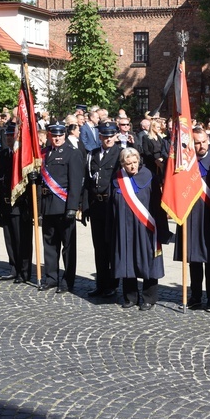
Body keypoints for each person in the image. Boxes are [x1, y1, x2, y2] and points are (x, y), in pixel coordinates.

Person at [111, 147, 165, 310]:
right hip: (124, 228)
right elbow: (111, 207)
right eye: (129, 164)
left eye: (135, 162)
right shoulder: (117, 179)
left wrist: (161, 230)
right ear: (122, 164)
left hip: (145, 228)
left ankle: (149, 297)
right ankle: (130, 296)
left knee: (147, 260)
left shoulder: (149, 177)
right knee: (127, 259)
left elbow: (157, 205)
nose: (133, 166)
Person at [173, 127, 210, 312]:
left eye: (203, 142)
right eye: (196, 143)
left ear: (208, 141)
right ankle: (195, 295)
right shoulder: (184, 162)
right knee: (193, 258)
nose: (200, 146)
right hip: (191, 215)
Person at [40, 124, 84, 293]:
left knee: (68, 246)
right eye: (53, 136)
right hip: (47, 205)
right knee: (49, 244)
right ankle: (51, 278)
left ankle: (67, 281)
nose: (56, 138)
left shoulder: (72, 153)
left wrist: (72, 207)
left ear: (64, 135)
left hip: (64, 205)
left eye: (59, 136)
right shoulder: (44, 153)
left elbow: (75, 182)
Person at [85, 121, 122, 297]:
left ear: (116, 136)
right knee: (99, 247)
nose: (108, 139)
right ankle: (101, 283)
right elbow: (87, 181)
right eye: (104, 136)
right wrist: (85, 206)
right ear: (99, 137)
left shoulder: (120, 154)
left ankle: (112, 284)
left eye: (110, 136)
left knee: (111, 246)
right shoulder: (92, 154)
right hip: (96, 207)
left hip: (111, 206)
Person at [0, 124, 34, 284]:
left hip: (20, 206)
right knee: (9, 239)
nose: (10, 138)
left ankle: (24, 272)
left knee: (21, 240)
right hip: (5, 205)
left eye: (13, 135)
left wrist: (31, 208)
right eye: (8, 135)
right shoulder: (2, 155)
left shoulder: (24, 157)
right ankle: (13, 268)